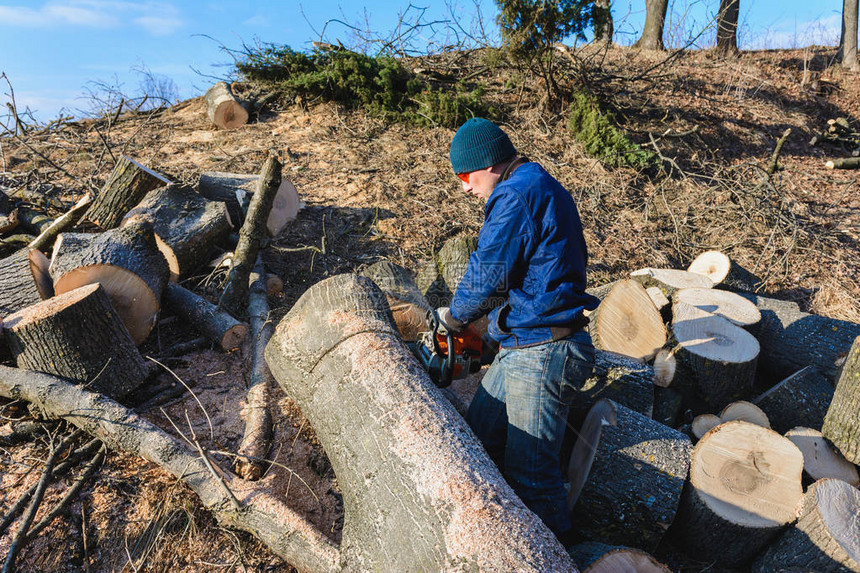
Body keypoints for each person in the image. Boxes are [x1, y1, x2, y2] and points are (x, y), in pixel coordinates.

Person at [437, 117, 599, 545]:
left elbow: (489, 273)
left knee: (532, 477)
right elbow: (524, 279)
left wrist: (452, 320)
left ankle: (561, 556)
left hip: (545, 349)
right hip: (524, 343)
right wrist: (488, 335)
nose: (465, 188)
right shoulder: (533, 184)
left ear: (487, 164)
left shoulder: (518, 194)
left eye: (465, 177)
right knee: (479, 442)